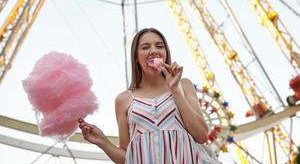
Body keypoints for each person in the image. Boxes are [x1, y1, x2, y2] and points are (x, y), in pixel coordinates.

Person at [78, 28, 220, 163]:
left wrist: (175, 89)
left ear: (166, 52)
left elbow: (201, 136)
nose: (154, 51)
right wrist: (103, 141)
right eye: (146, 47)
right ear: (136, 58)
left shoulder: (184, 85)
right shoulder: (123, 100)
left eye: (159, 46)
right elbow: (127, 158)